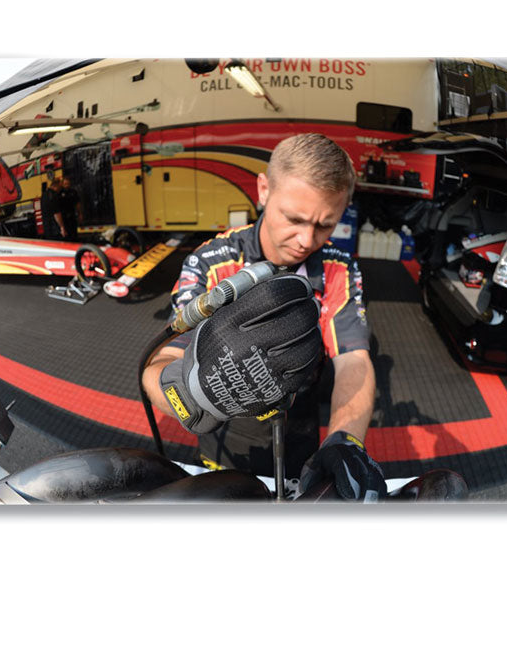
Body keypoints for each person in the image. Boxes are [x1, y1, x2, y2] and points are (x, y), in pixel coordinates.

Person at [141, 133, 386, 501]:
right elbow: (157, 367)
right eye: (294, 219)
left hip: (300, 439)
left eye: (325, 225)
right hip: (223, 441)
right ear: (263, 190)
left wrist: (345, 441)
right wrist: (191, 395)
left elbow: (353, 360)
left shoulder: (338, 267)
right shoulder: (210, 261)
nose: (306, 240)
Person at [59, 177, 83, 241]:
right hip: (64, 217)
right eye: (65, 184)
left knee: (74, 233)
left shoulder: (73, 192)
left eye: (68, 184)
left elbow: (77, 203)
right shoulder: (59, 193)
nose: (67, 185)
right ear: (62, 184)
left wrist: (80, 214)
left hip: (72, 215)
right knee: (66, 235)